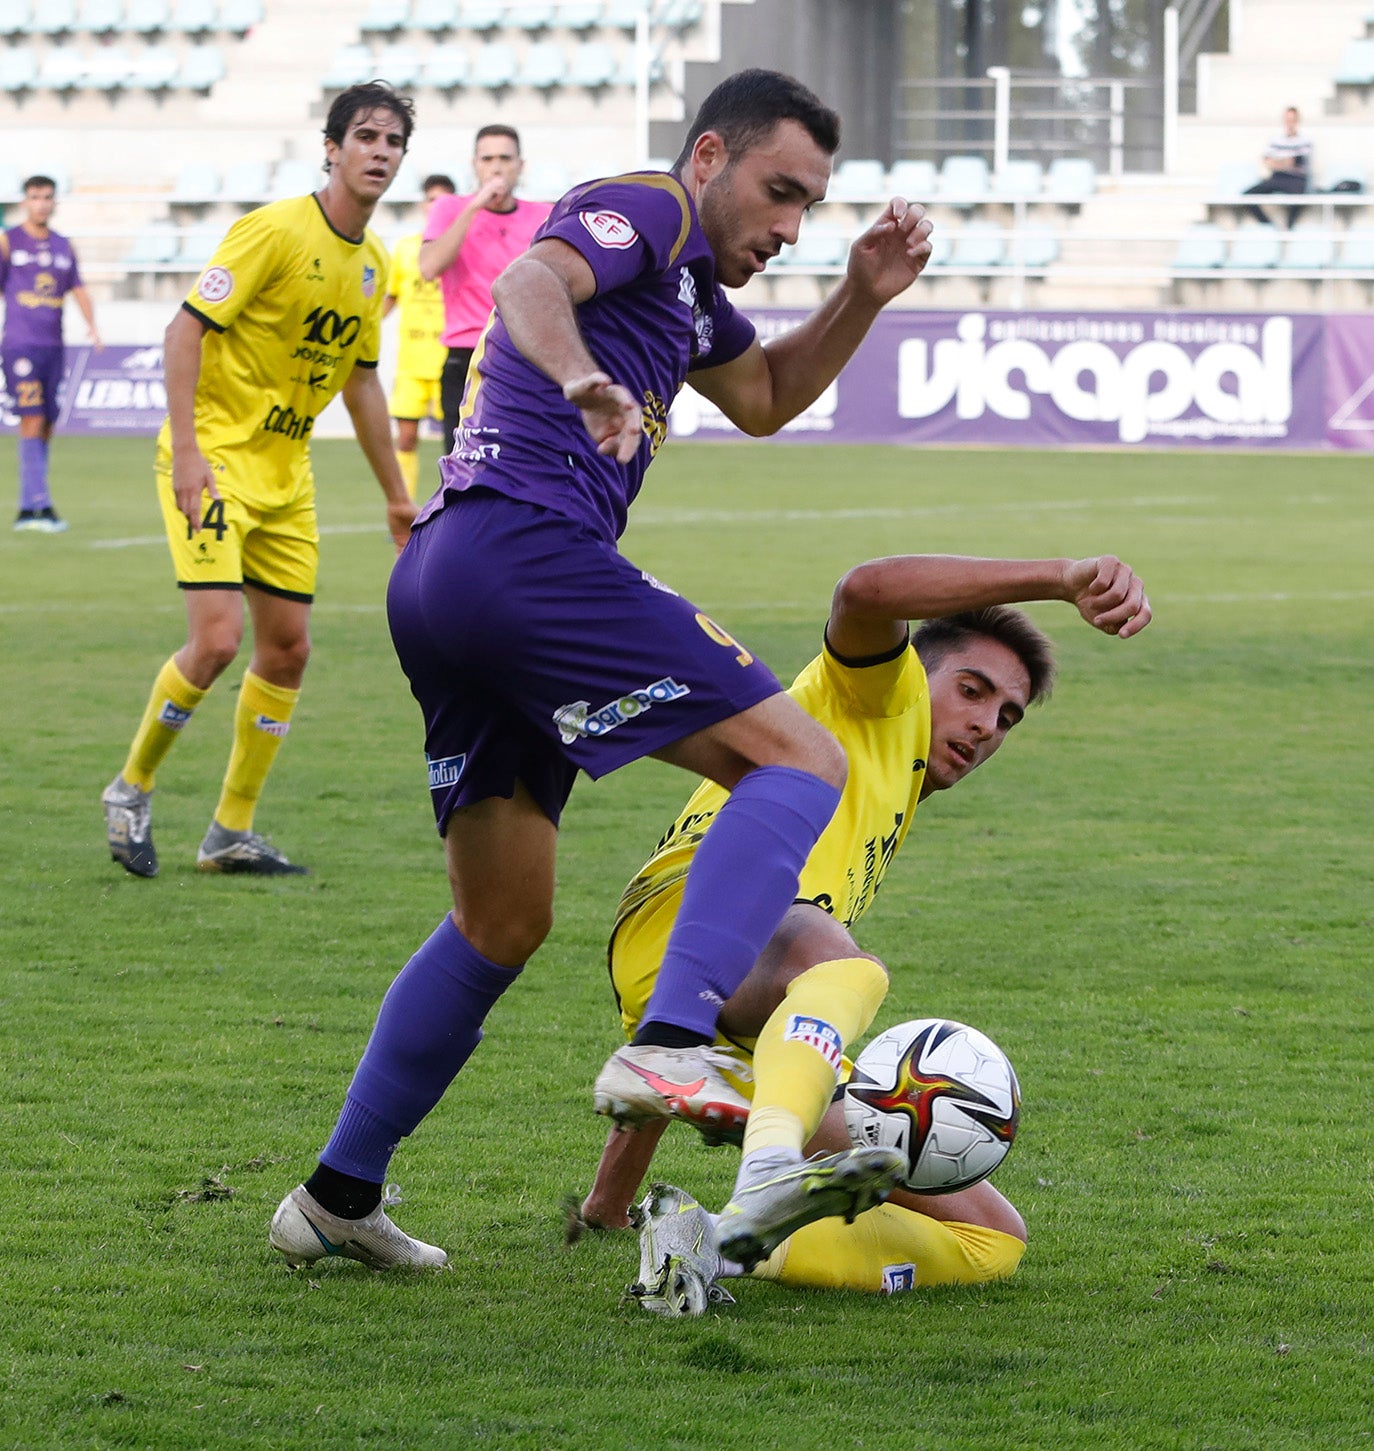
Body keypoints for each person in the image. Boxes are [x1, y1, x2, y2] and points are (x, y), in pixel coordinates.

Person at [268, 67, 936, 1273]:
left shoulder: (687, 291)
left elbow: (771, 395)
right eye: (778, 193)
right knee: (801, 757)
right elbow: (531, 277)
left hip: (445, 579)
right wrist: (580, 376)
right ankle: (675, 1033)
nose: (787, 227)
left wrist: (860, 294)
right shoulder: (651, 204)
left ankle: (334, 1195)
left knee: (500, 919)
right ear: (710, 156)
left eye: (808, 211)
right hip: (523, 551)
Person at [567, 548, 1151, 1314]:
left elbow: (679, 1040)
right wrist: (1059, 579)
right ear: (919, 669)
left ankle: (706, 1242)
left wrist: (606, 1204)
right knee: (844, 964)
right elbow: (866, 589)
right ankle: (774, 1166)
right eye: (972, 691)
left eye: (1007, 716)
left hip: (726, 994)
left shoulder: (895, 785)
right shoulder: (882, 696)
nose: (985, 724)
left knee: (992, 1238)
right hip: (694, 911)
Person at [100, 83, 419, 881]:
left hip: (287, 480)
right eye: (367, 136)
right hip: (212, 463)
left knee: (288, 651)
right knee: (216, 640)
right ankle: (130, 786)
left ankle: (230, 830)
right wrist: (189, 453)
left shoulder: (374, 265)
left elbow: (362, 385)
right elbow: (184, 330)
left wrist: (395, 494)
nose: (380, 151)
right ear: (333, 148)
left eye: (394, 141)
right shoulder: (273, 231)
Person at [418, 125, 551, 454]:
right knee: (462, 466)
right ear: (474, 165)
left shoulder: (542, 215)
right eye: (487, 158)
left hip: (524, 353)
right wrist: (475, 207)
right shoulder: (451, 208)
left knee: (526, 461)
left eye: (505, 158)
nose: (496, 167)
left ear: (520, 165)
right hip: (466, 356)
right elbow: (429, 266)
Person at [1, 174, 101, 533]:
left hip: (53, 347)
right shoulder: (8, 241)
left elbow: (78, 288)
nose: (41, 203)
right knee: (30, 417)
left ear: (54, 202)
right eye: (34, 197)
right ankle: (36, 507)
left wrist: (93, 327)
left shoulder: (63, 245)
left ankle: (32, 504)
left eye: (46, 197)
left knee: (46, 423)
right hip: (20, 345)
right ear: (24, 201)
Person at [382, 172, 455, 499]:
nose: (435, 205)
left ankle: (453, 506)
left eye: (443, 200)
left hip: (448, 360)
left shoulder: (459, 248)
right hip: (411, 363)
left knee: (455, 443)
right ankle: (405, 505)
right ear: (422, 205)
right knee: (406, 439)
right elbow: (391, 296)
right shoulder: (404, 249)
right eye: (431, 199)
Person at [1243, 106, 1312, 228]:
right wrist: (1285, 162)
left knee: (1299, 198)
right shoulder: (1276, 139)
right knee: (1248, 196)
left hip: (1296, 180)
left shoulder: (1305, 140)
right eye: (1287, 119)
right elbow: (1267, 161)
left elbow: (1296, 162)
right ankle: (1267, 226)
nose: (1290, 123)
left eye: (1292, 120)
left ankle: (1289, 230)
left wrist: (1278, 162)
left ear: (1297, 121)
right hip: (1277, 178)